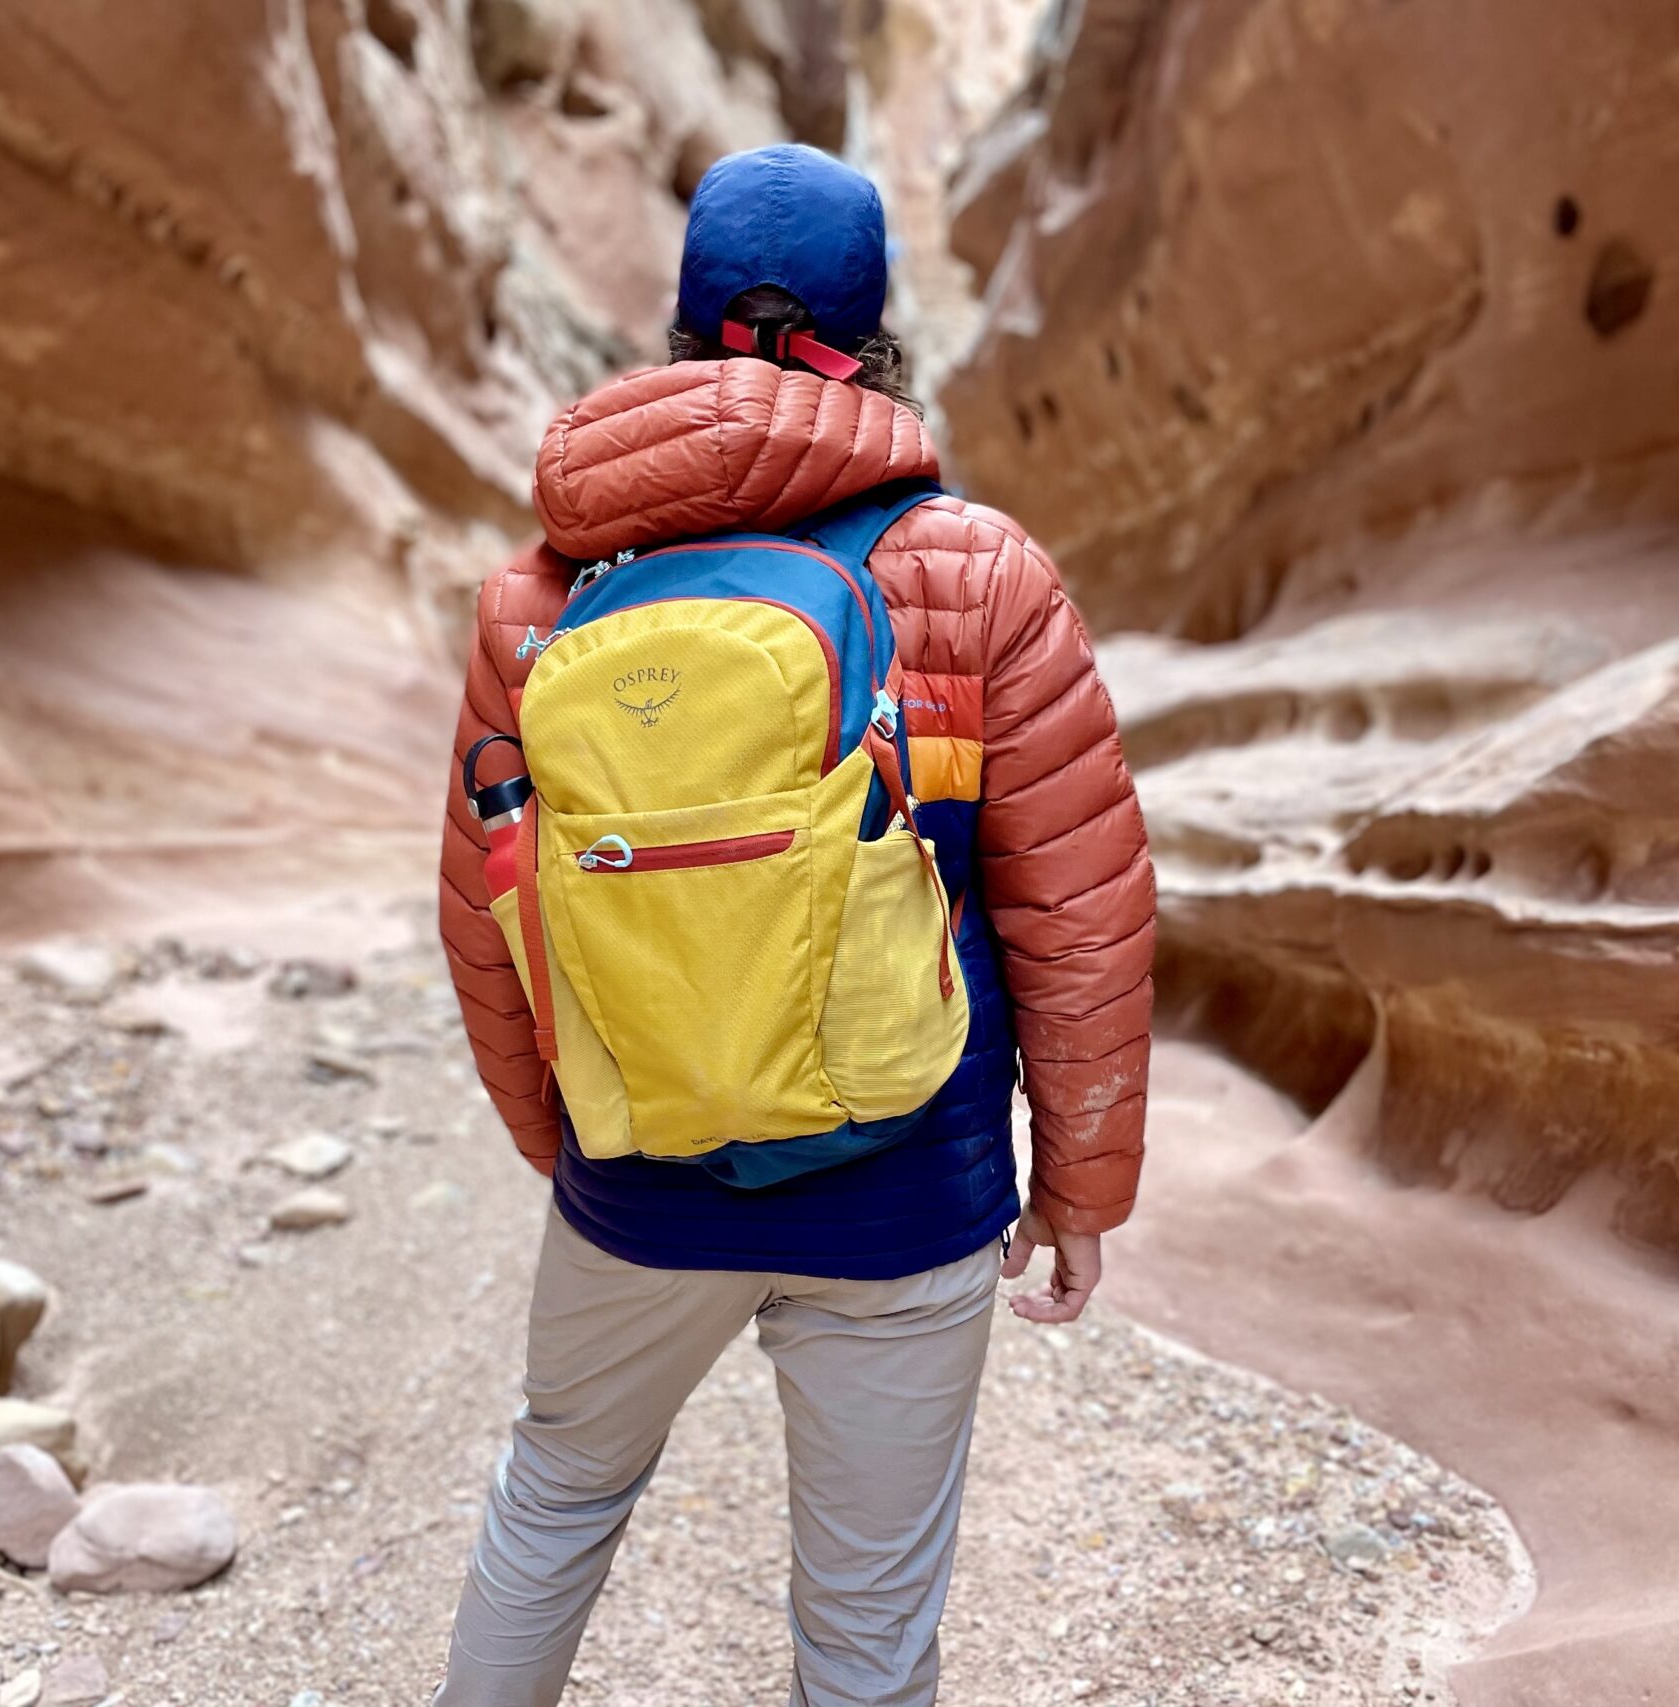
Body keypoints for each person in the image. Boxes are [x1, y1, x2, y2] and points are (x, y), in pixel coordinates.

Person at [434, 143, 1155, 1707]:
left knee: (554, 1503)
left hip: (637, 1185)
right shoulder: (971, 573)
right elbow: (1078, 911)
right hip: (906, 1189)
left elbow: (487, 914)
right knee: (865, 1632)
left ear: (686, 327)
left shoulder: (542, 598)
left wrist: (566, 1137)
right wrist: (1081, 1180)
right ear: (874, 328)